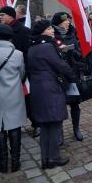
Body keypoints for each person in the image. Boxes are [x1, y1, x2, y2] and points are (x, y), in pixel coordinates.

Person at [27, 20, 76, 169]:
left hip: (38, 89)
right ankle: (53, 157)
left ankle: (45, 158)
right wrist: (72, 76)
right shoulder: (47, 47)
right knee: (54, 124)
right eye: (49, 28)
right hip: (50, 88)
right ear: (42, 31)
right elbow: (60, 65)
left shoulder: (32, 47)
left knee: (45, 125)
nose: (52, 30)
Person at [0, 6, 40, 138]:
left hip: (22, 72)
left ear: (11, 16)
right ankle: (12, 124)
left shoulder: (24, 31)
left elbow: (28, 53)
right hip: (6, 73)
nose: (0, 17)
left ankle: (37, 124)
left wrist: (25, 73)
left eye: (2, 15)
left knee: (28, 100)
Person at [0, 24, 26, 173]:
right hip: (14, 94)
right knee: (14, 126)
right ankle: (15, 162)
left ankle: (3, 162)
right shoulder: (18, 54)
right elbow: (22, 75)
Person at [52, 12, 85, 142]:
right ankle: (60, 133)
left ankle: (76, 128)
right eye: (65, 21)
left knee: (75, 103)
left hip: (72, 73)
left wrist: (72, 51)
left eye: (68, 21)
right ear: (58, 23)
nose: (68, 23)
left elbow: (80, 54)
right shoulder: (52, 36)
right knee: (60, 104)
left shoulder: (72, 34)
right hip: (58, 75)